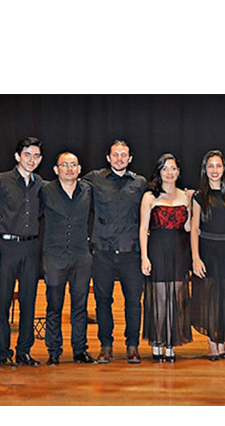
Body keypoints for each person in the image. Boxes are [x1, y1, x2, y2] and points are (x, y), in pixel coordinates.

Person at [83, 139, 147, 364]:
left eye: (124, 155)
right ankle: (106, 346)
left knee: (133, 302)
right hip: (103, 251)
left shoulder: (140, 182)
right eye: (115, 155)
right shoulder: (94, 179)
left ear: (130, 159)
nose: (119, 159)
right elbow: (69, 186)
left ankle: (132, 346)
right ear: (108, 158)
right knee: (102, 301)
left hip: (131, 251)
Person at [42, 151, 95, 365]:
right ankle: (54, 351)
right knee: (54, 305)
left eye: (73, 164)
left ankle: (80, 350)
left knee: (80, 306)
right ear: (56, 169)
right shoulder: (45, 190)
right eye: (64, 165)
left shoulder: (88, 190)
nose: (69, 168)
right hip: (54, 256)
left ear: (79, 169)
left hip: (81, 255)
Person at [0, 137, 45, 367]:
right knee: (2, 301)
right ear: (18, 156)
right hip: (5, 247)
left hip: (31, 246)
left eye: (36, 156)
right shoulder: (1, 180)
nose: (31, 160)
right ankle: (3, 352)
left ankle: (24, 351)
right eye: (27, 154)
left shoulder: (41, 184)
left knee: (28, 301)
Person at [139, 153, 193, 363]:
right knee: (161, 299)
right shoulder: (149, 197)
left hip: (179, 252)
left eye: (173, 168)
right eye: (165, 168)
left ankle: (170, 341)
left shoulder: (185, 196)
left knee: (175, 300)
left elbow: (188, 227)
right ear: (159, 172)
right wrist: (145, 257)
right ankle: (157, 340)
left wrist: (192, 205)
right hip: (157, 251)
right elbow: (143, 229)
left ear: (178, 172)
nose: (169, 173)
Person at [190, 150, 225, 360]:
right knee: (210, 297)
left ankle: (222, 342)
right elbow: (194, 228)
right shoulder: (198, 196)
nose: (214, 170)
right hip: (207, 250)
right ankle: (213, 343)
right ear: (205, 169)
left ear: (224, 169)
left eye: (218, 166)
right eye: (210, 166)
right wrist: (195, 257)